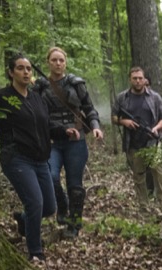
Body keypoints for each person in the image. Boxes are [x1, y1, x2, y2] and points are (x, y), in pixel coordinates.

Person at [0, 53, 67, 264]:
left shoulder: (36, 98)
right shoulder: (3, 97)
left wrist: (65, 131)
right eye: (20, 68)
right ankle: (35, 251)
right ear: (11, 72)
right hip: (17, 158)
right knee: (35, 202)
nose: (26, 72)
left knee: (49, 207)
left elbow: (46, 126)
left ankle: (24, 221)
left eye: (28, 68)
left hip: (40, 159)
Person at [33, 47, 104, 238]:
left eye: (61, 60)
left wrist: (95, 126)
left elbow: (89, 109)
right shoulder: (40, 86)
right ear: (48, 62)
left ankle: (74, 225)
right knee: (51, 176)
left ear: (65, 62)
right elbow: (36, 113)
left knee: (75, 185)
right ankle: (61, 206)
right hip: (52, 140)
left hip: (76, 141)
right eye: (54, 60)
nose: (58, 63)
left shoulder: (75, 84)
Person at [111, 67, 162, 210]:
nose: (137, 81)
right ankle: (143, 204)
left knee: (158, 171)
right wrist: (124, 122)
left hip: (152, 141)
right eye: (134, 78)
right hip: (133, 142)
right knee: (138, 175)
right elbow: (113, 117)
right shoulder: (122, 98)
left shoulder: (155, 97)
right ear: (130, 80)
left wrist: (156, 128)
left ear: (145, 80)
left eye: (140, 78)